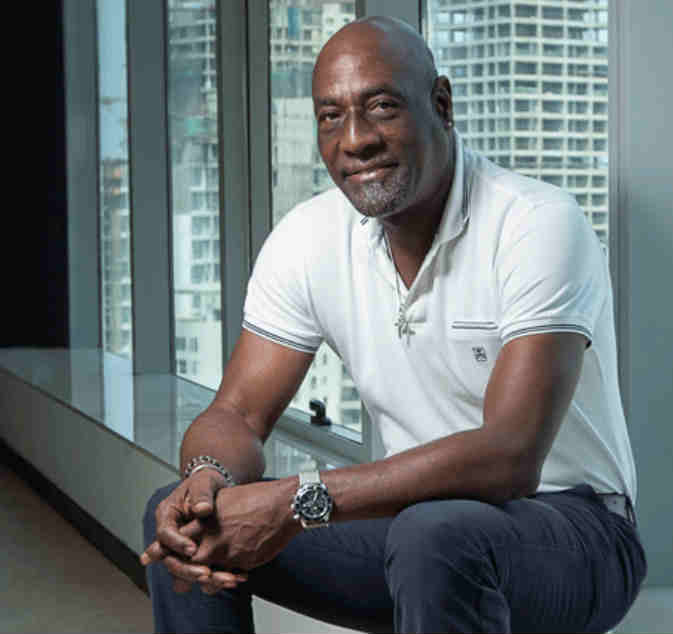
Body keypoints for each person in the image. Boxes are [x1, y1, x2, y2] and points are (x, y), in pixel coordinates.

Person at [140, 15, 646, 634]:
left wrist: (298, 500)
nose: (355, 140)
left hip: (575, 532)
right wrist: (207, 479)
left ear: (441, 106)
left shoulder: (534, 223)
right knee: (188, 524)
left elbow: (510, 456)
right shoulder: (309, 237)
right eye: (331, 116)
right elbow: (237, 414)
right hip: (416, 526)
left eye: (381, 107)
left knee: (436, 537)